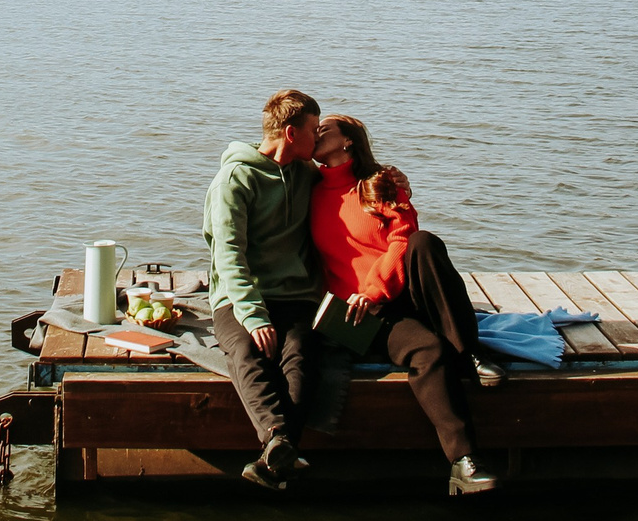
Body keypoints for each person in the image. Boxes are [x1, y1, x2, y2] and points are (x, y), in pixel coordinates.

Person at [309, 114, 500, 496]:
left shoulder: (376, 184)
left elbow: (402, 238)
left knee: (424, 242)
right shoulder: (306, 187)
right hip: (363, 315)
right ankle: (464, 463)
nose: (315, 133)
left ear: (348, 140)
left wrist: (374, 289)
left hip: (398, 292)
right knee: (428, 350)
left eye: (324, 128)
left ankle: (469, 352)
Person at [203, 88, 328, 490]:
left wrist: (392, 179)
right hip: (237, 297)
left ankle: (274, 454)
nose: (320, 137)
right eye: (314, 129)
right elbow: (229, 257)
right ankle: (277, 437)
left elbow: (356, 179)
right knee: (246, 350)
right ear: (291, 134)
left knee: (301, 352)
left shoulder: (307, 173)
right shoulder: (233, 180)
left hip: (295, 294)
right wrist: (253, 316)